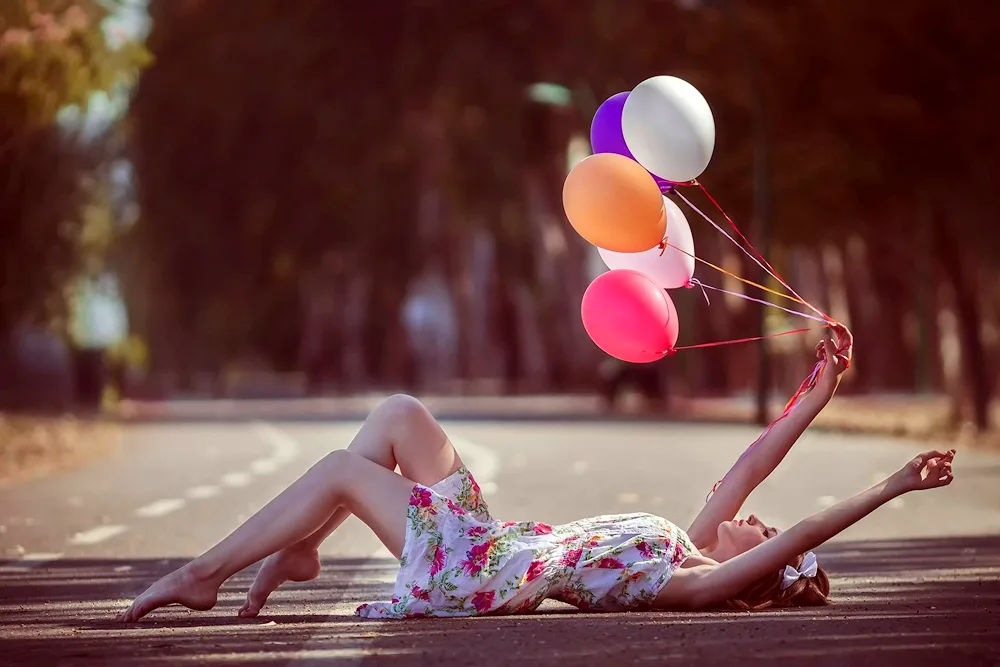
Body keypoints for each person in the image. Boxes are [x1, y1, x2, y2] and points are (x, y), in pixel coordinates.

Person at [116, 329, 956, 621]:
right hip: (492, 541)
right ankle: (295, 554)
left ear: (758, 572)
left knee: (343, 467)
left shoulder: (690, 585)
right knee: (400, 413)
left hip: (475, 577)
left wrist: (891, 485)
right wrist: (822, 387)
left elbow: (804, 533)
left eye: (765, 541)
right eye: (762, 527)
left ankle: (203, 575)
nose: (758, 522)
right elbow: (748, 461)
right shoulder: (685, 543)